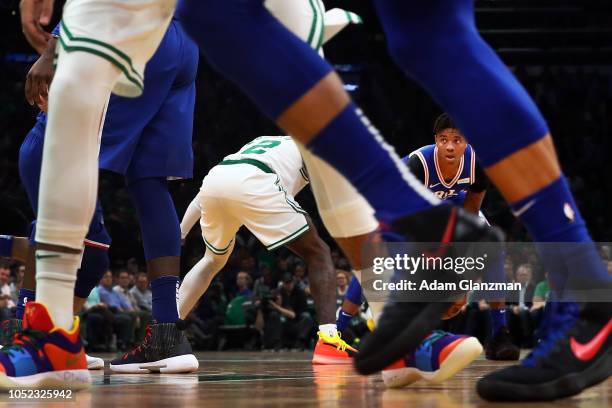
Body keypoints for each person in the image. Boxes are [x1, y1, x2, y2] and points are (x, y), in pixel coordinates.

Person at [0, 10, 199, 386]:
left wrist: (56, 42)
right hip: (183, 39)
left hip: (131, 21)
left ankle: (30, 336)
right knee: (150, 181)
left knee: (53, 140)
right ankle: (167, 336)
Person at [179, 135, 356, 363]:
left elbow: (202, 195)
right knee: (319, 253)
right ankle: (329, 340)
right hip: (256, 182)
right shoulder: (315, 145)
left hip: (216, 178)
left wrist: (182, 231)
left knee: (212, 260)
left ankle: (164, 330)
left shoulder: (268, 142)